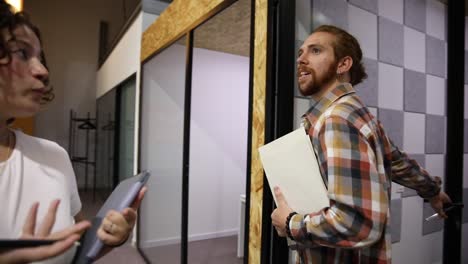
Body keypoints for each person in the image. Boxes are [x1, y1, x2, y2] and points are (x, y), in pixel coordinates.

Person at [270, 25, 452, 263]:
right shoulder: (355, 112)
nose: (300, 59)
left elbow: (357, 224)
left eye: (315, 51)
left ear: (343, 64)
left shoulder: (336, 119)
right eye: (301, 52)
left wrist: (289, 222)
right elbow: (395, 160)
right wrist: (433, 191)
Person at [0, 1, 146, 263]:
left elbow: (79, 247)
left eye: (40, 57)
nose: (43, 71)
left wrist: (112, 238)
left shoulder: (54, 155)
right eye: (22, 53)